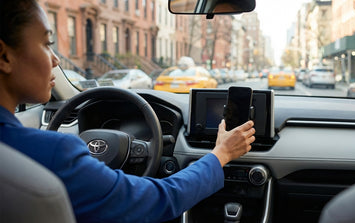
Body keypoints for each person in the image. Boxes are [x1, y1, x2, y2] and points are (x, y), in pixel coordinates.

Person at [0, 0, 256, 222]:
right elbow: (158, 199)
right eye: (47, 43)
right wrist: (220, 154)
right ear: (4, 57)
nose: (55, 59)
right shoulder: (56, 154)